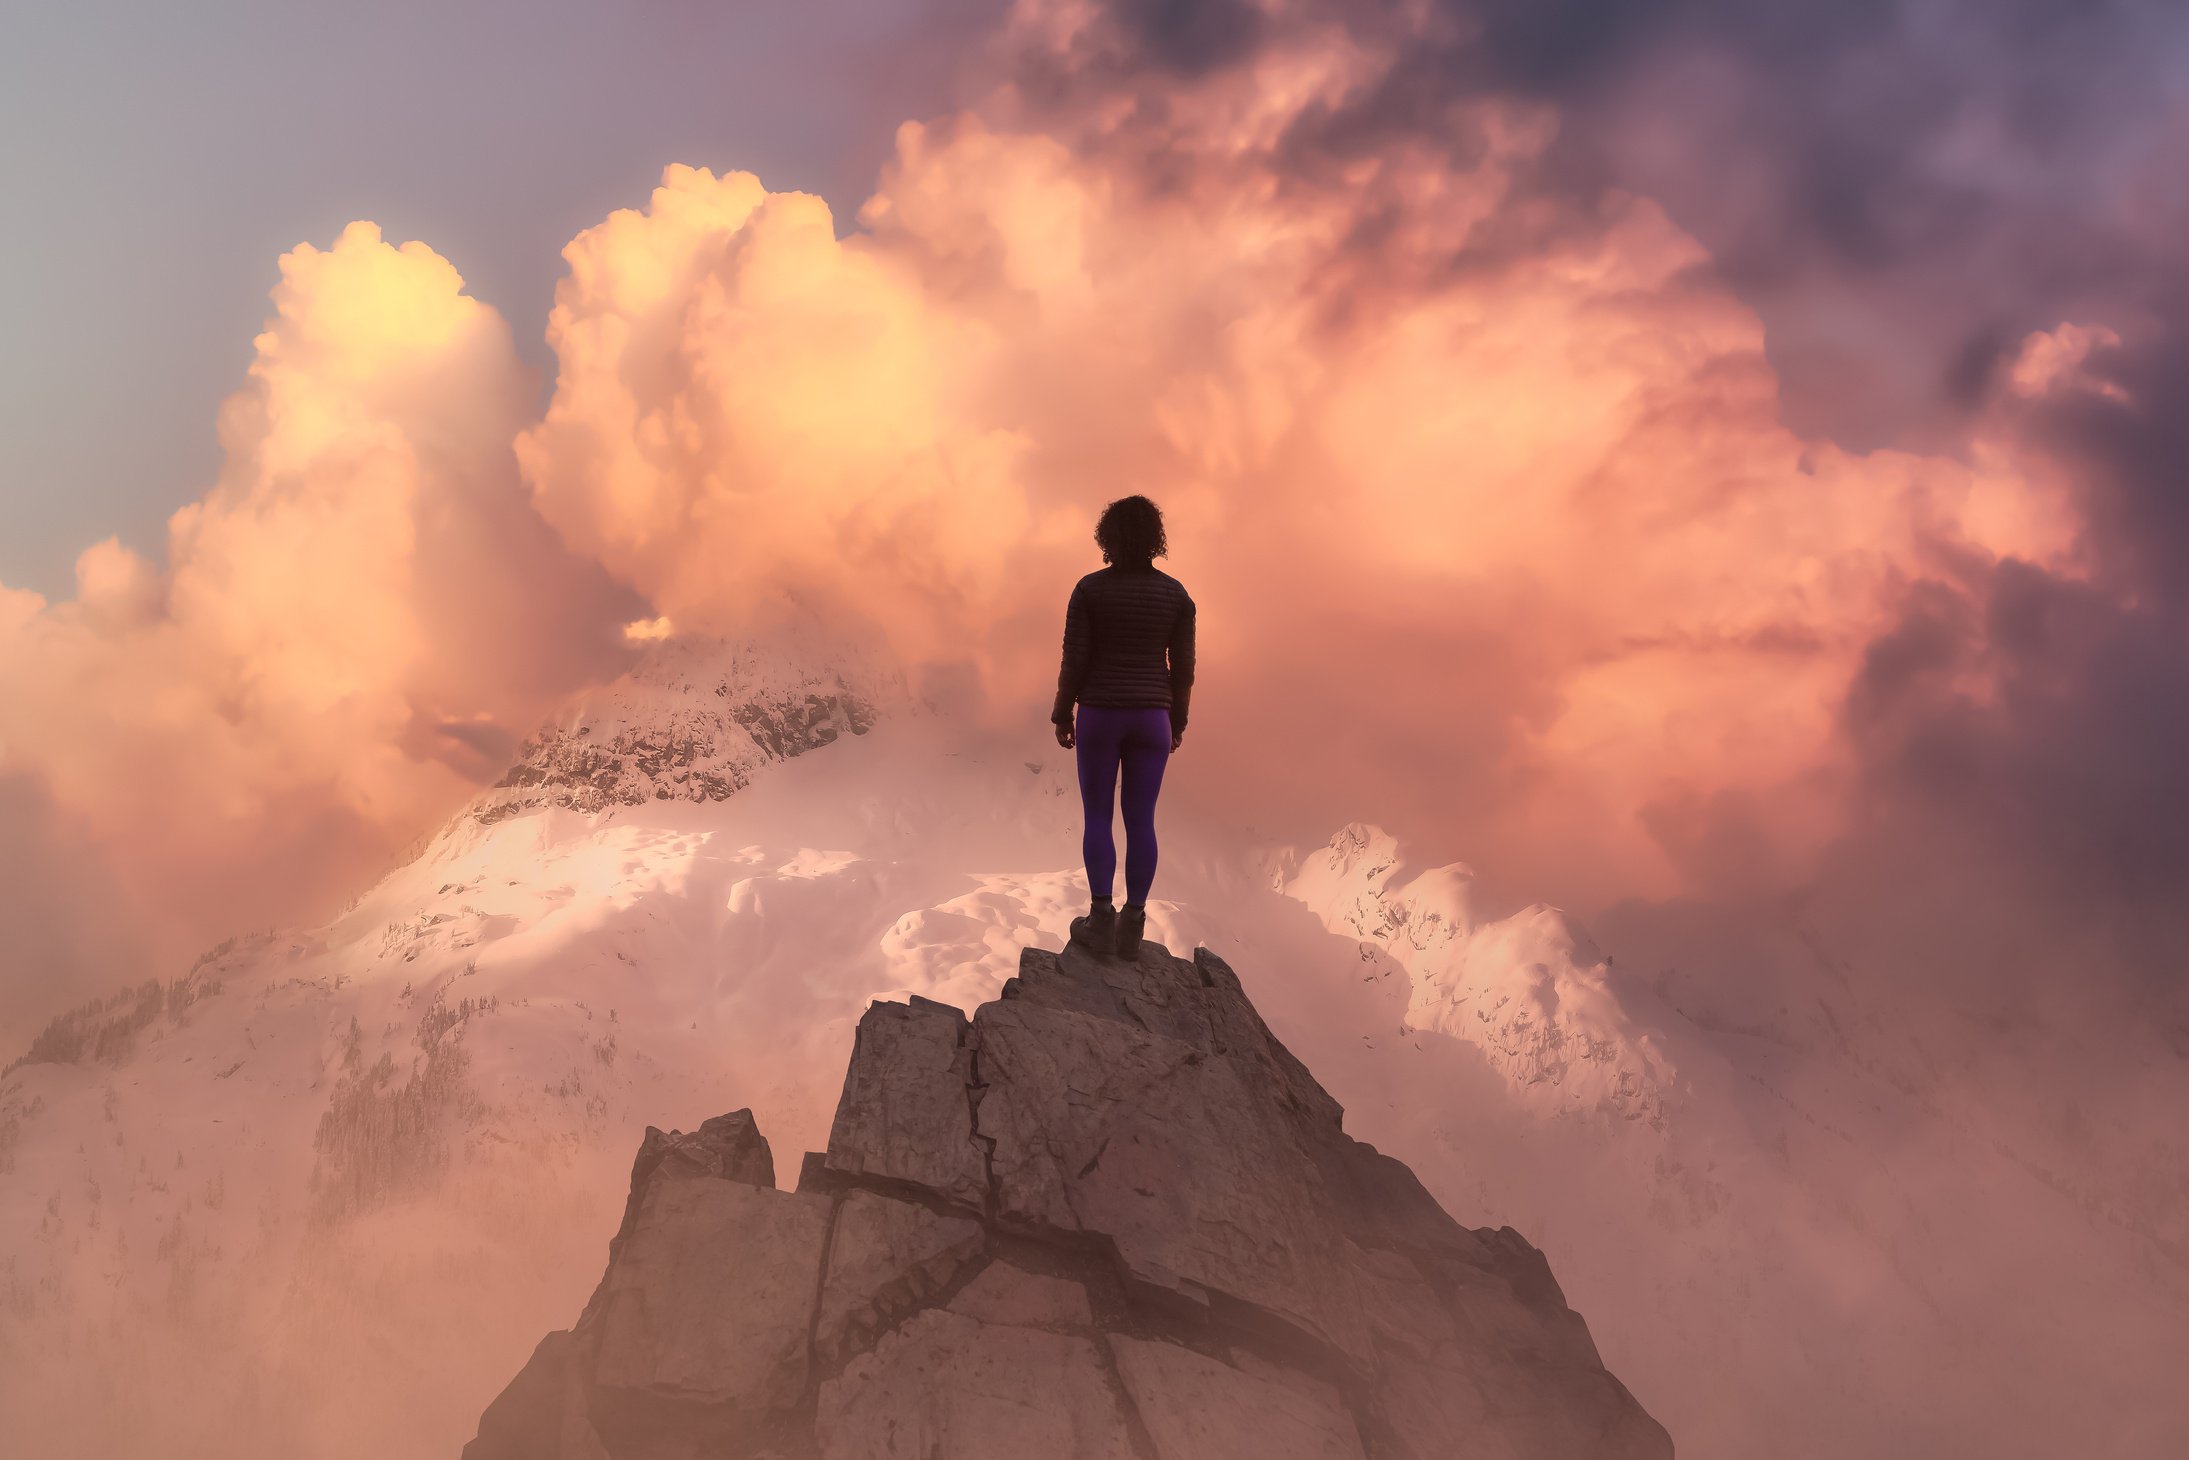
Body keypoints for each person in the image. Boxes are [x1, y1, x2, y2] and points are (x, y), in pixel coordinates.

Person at [1052, 494, 1195, 960]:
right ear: (1156, 538)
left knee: (1098, 816)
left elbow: (1075, 658)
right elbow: (1184, 668)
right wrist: (1177, 719)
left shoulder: (1090, 590)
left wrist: (1061, 711)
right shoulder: (1176, 595)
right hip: (1152, 715)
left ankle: (1099, 920)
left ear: (1106, 538)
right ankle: (1133, 924)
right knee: (1141, 821)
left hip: (1100, 712)